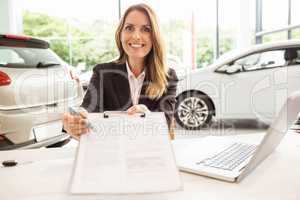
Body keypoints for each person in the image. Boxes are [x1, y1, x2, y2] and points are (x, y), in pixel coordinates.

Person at [62, 3, 178, 140]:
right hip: (111, 155)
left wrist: (148, 117)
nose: (136, 36)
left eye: (146, 29)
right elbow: (88, 110)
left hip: (149, 156)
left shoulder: (168, 77)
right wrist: (76, 121)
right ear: (120, 34)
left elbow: (166, 126)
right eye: (129, 28)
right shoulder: (102, 72)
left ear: (155, 36)